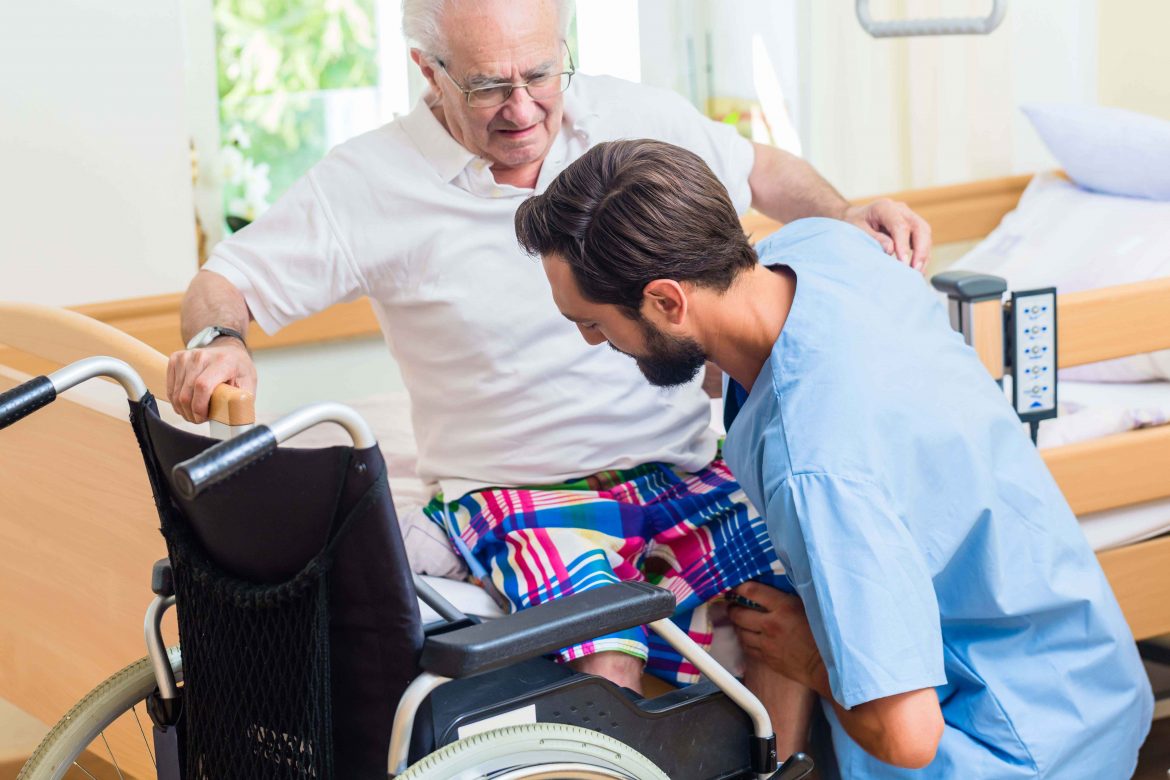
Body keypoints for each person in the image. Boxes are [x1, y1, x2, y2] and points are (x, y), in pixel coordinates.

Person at [167, 0, 929, 740]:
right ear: (427, 71)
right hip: (517, 488)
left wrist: (847, 217)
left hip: (682, 464)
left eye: (540, 73)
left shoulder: (634, 118)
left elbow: (761, 170)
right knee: (607, 650)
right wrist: (218, 336)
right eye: (488, 86)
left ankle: (779, 765)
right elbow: (226, 279)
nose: (523, 108)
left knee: (789, 590)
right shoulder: (368, 182)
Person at [516, 137, 1153, 777]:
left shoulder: (816, 465)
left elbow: (909, 738)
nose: (592, 340)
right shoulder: (824, 247)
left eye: (595, 324)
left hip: (1015, 750)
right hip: (1092, 682)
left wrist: (807, 656)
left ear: (667, 301)